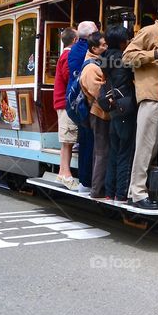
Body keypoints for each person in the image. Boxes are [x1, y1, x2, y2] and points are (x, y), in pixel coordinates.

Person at [122, 0, 158, 213]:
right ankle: (137, 192)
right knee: (145, 147)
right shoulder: (151, 31)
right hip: (151, 96)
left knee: (153, 148)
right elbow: (126, 58)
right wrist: (153, 54)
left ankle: (136, 190)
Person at [101, 25, 136, 202]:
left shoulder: (105, 58)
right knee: (124, 153)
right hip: (125, 108)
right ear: (122, 43)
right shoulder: (123, 59)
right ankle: (120, 194)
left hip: (113, 109)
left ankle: (109, 192)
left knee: (113, 152)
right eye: (127, 40)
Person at [67, 21, 98, 192]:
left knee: (86, 140)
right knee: (89, 142)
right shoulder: (87, 51)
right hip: (85, 103)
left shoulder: (74, 49)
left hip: (77, 103)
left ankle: (84, 181)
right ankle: (86, 181)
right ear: (91, 35)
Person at [80, 31, 109, 198]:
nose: (106, 47)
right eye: (103, 45)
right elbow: (98, 92)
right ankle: (97, 189)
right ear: (94, 48)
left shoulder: (96, 62)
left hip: (98, 112)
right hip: (98, 113)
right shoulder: (91, 67)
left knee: (100, 150)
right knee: (101, 151)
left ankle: (97, 187)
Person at [53, 27, 78, 189]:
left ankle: (62, 173)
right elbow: (69, 76)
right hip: (65, 103)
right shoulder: (68, 55)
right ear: (75, 40)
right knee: (68, 140)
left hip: (62, 102)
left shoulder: (64, 54)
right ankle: (66, 174)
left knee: (66, 142)